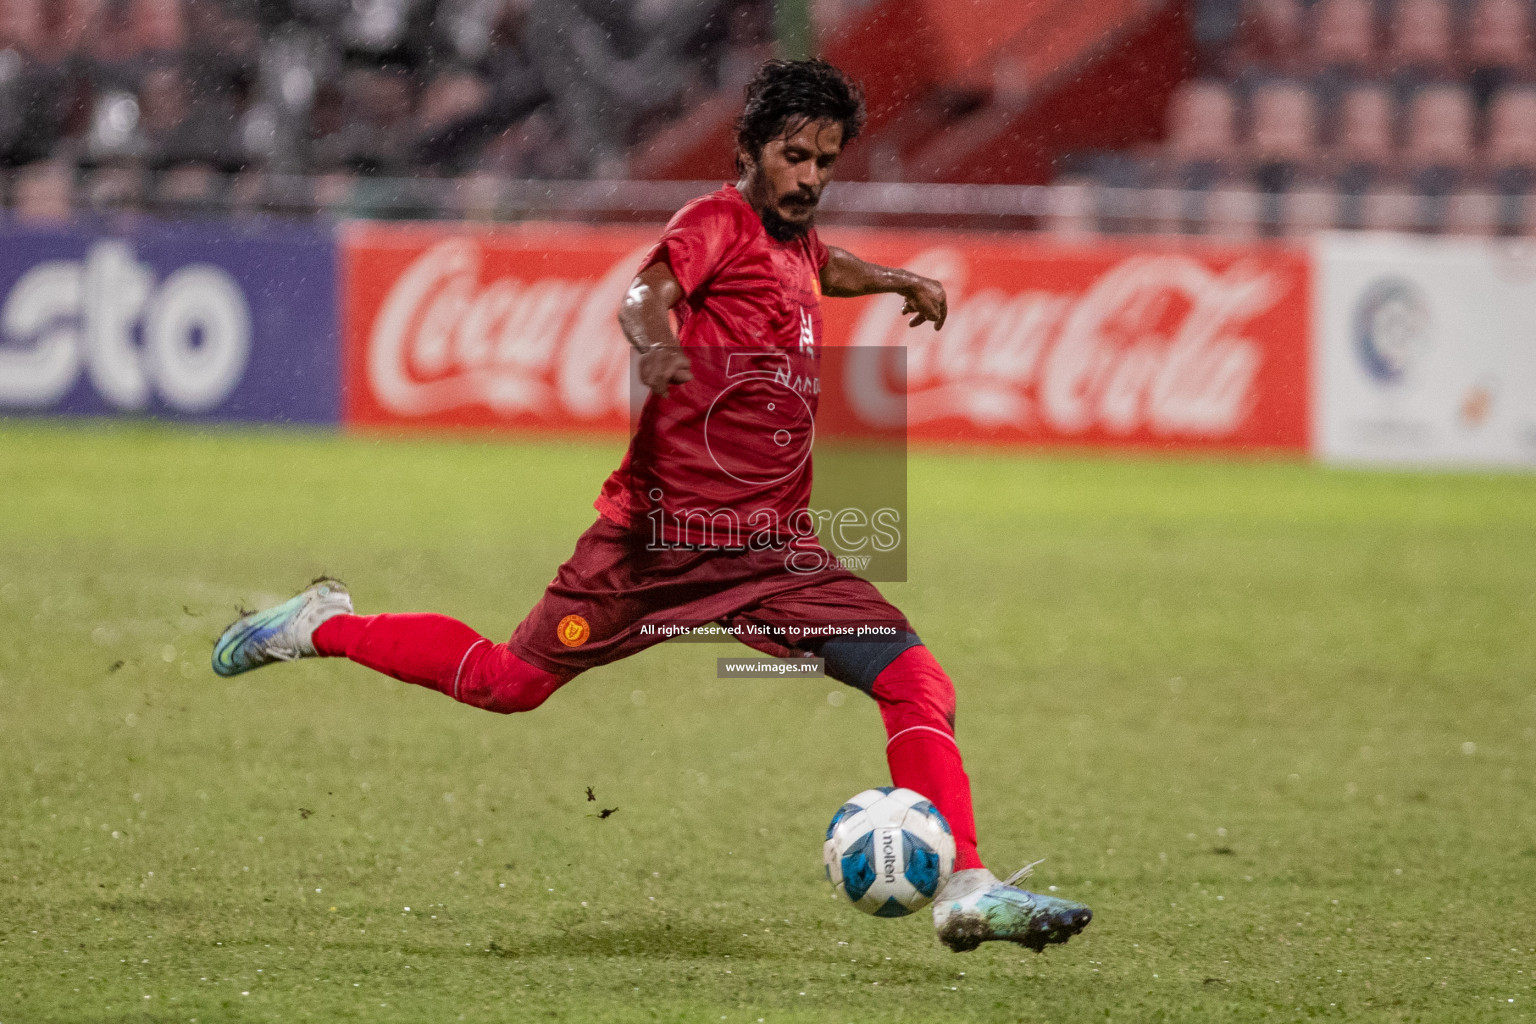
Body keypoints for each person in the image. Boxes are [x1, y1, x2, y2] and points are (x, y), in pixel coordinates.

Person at [212, 58, 1092, 954]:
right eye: (794, 156)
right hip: (655, 549)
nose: (810, 177)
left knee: (916, 680)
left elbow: (827, 267)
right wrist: (656, 346)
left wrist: (899, 280)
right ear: (751, 149)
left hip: (771, 557)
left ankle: (968, 888)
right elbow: (645, 291)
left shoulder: (795, 242)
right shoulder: (714, 221)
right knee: (506, 685)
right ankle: (322, 625)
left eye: (826, 161)